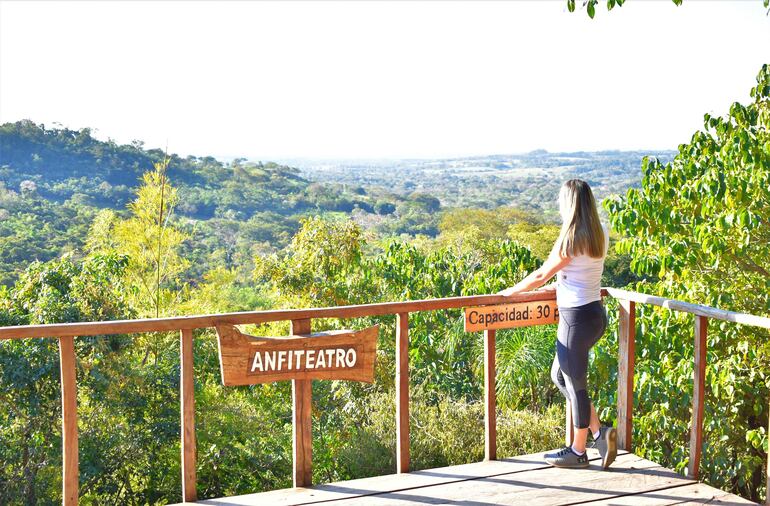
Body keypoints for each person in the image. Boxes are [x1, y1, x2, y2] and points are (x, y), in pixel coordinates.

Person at [498, 178, 616, 469]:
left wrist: (510, 292)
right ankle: (600, 433)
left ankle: (577, 452)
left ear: (569, 203)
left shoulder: (571, 237)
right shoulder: (599, 232)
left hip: (574, 319)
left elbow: (541, 276)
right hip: (595, 316)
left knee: (576, 386)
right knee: (561, 376)